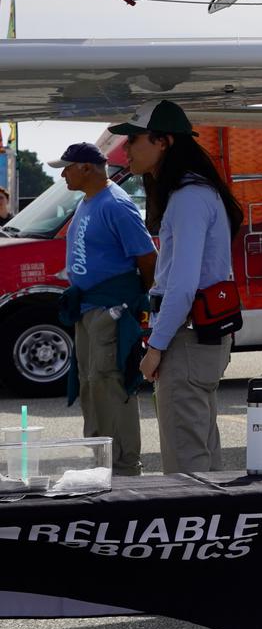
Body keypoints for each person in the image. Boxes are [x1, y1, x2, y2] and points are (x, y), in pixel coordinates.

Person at [116, 102, 244, 474]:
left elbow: (183, 285)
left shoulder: (188, 197)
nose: (126, 148)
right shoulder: (197, 192)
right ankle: (215, 528)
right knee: (202, 450)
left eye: (133, 139)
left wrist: (155, 349)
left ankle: (198, 530)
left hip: (185, 340)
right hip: (198, 337)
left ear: (163, 142)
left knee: (186, 462)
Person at [52, 143, 155, 477]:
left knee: (110, 382)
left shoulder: (116, 205)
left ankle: (124, 466)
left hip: (110, 309)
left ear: (86, 167)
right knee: (89, 383)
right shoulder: (87, 201)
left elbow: (147, 257)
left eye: (66, 167)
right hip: (88, 307)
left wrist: (139, 302)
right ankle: (100, 461)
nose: (62, 173)